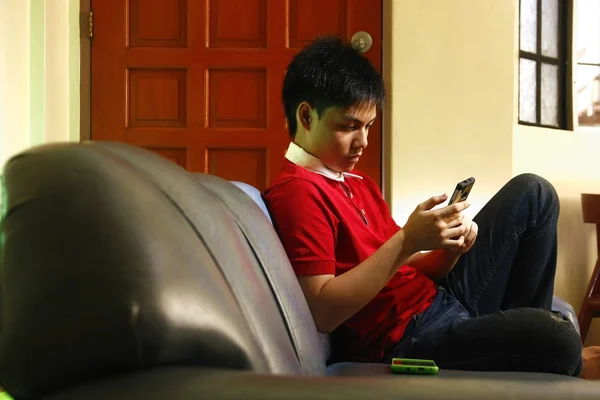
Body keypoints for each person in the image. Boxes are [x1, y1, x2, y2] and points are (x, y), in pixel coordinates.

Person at [263, 36, 600, 379]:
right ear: (306, 115)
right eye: (349, 127)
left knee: (534, 194)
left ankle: (523, 349)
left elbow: (412, 268)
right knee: (559, 337)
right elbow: (322, 310)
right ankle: (535, 350)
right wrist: (407, 239)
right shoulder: (298, 193)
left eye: (368, 126)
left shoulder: (355, 182)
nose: (363, 141)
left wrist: (449, 247)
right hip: (406, 340)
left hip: (439, 301)